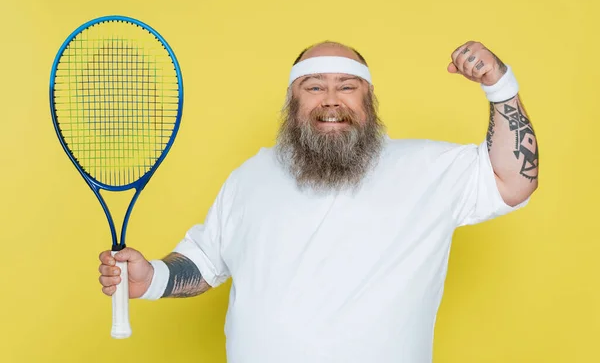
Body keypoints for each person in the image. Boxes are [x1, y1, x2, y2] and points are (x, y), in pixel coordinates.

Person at [98, 40, 539, 362]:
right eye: (313, 87)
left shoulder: (428, 167)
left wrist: (499, 85)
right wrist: (151, 278)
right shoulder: (251, 176)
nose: (331, 100)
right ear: (292, 101)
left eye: (347, 86)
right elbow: (207, 262)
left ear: (369, 100)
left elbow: (513, 180)